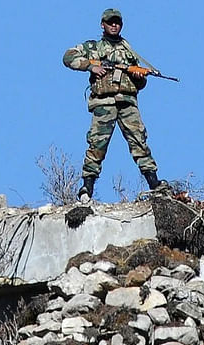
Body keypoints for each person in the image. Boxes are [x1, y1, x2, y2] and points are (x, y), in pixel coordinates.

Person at [63, 8, 166, 202]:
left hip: (127, 103)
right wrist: (91, 66)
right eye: (110, 22)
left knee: (139, 142)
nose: (114, 25)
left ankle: (154, 183)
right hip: (104, 102)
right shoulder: (93, 47)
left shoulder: (128, 51)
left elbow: (140, 83)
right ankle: (87, 187)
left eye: (117, 22)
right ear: (103, 24)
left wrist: (139, 77)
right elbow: (68, 57)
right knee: (97, 144)